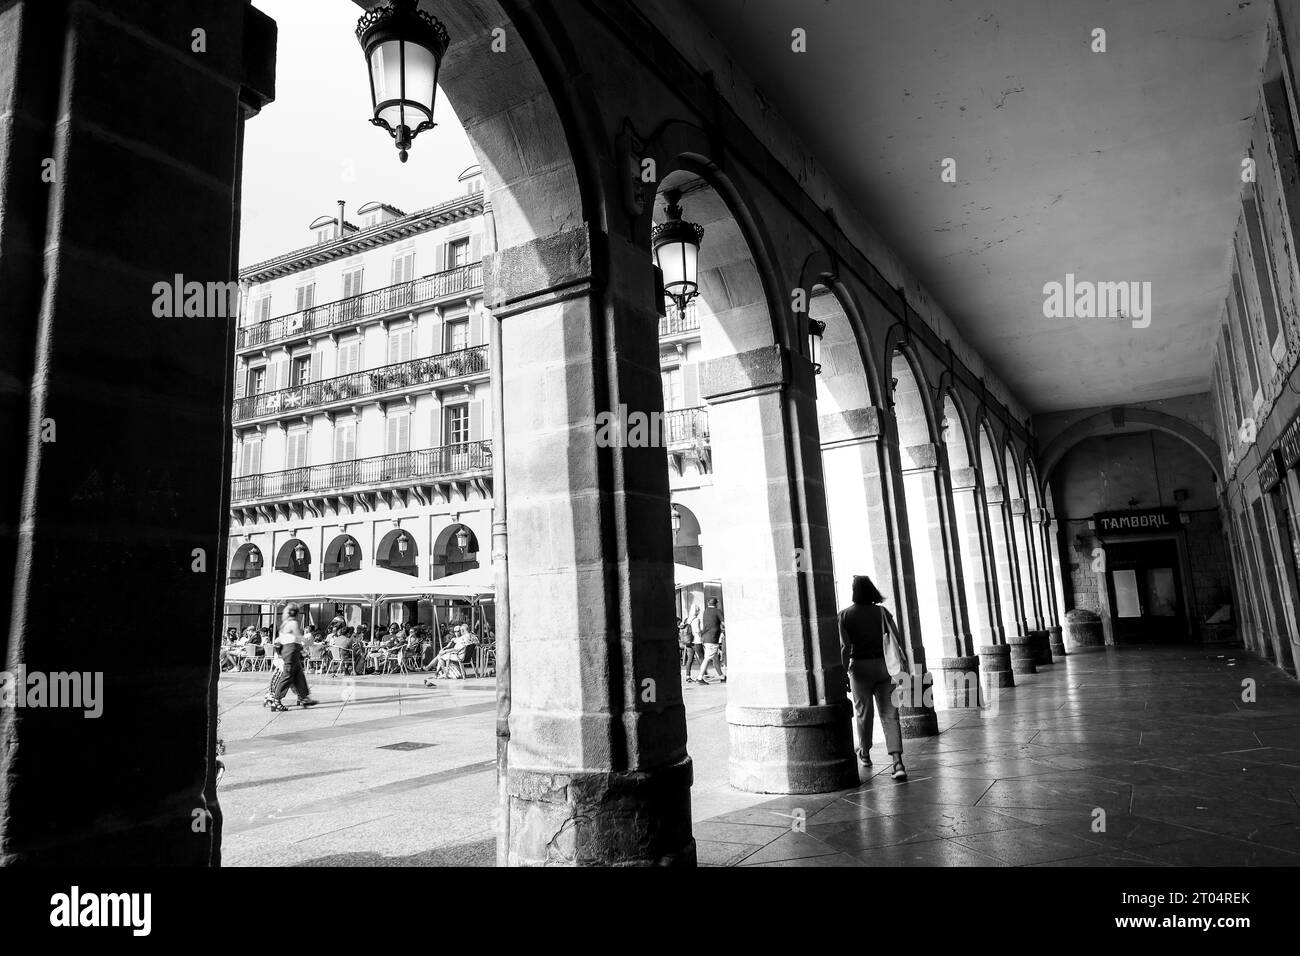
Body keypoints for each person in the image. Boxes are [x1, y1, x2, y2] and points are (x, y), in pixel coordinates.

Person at [838, 575, 908, 781]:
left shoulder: (844, 616)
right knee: (890, 714)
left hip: (859, 669)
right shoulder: (881, 612)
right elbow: (897, 638)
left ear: (854, 592)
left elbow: (844, 647)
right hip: (884, 667)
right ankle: (897, 762)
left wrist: (843, 672)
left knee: (863, 713)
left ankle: (865, 753)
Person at [265, 602, 318, 711]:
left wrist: (301, 649)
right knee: (288, 675)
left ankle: (304, 697)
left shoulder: (285, 623)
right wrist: (308, 641)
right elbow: (298, 636)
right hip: (291, 650)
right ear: (296, 613)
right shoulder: (293, 623)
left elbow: (285, 639)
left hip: (290, 650)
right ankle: (276, 699)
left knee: (298, 674)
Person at [694, 598, 726, 684]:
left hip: (705, 638)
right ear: (717, 604)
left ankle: (722, 677)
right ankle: (699, 678)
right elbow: (724, 623)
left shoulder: (706, 611)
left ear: (708, 603)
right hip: (712, 638)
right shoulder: (717, 611)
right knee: (707, 658)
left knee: (715, 658)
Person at [684, 601, 705, 684]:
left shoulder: (687, 619)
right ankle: (701, 676)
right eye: (698, 610)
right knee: (702, 658)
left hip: (689, 641)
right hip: (696, 641)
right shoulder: (697, 619)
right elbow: (697, 631)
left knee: (689, 659)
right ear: (696, 611)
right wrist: (702, 632)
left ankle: (688, 676)